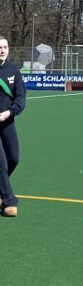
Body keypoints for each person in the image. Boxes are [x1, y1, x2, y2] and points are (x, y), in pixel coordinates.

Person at [0, 37, 27, 218]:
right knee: (0, 164)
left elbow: (20, 97)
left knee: (13, 158)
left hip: (7, 120)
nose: (2, 50)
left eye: (5, 47)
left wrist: (9, 113)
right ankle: (9, 201)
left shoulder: (13, 70)